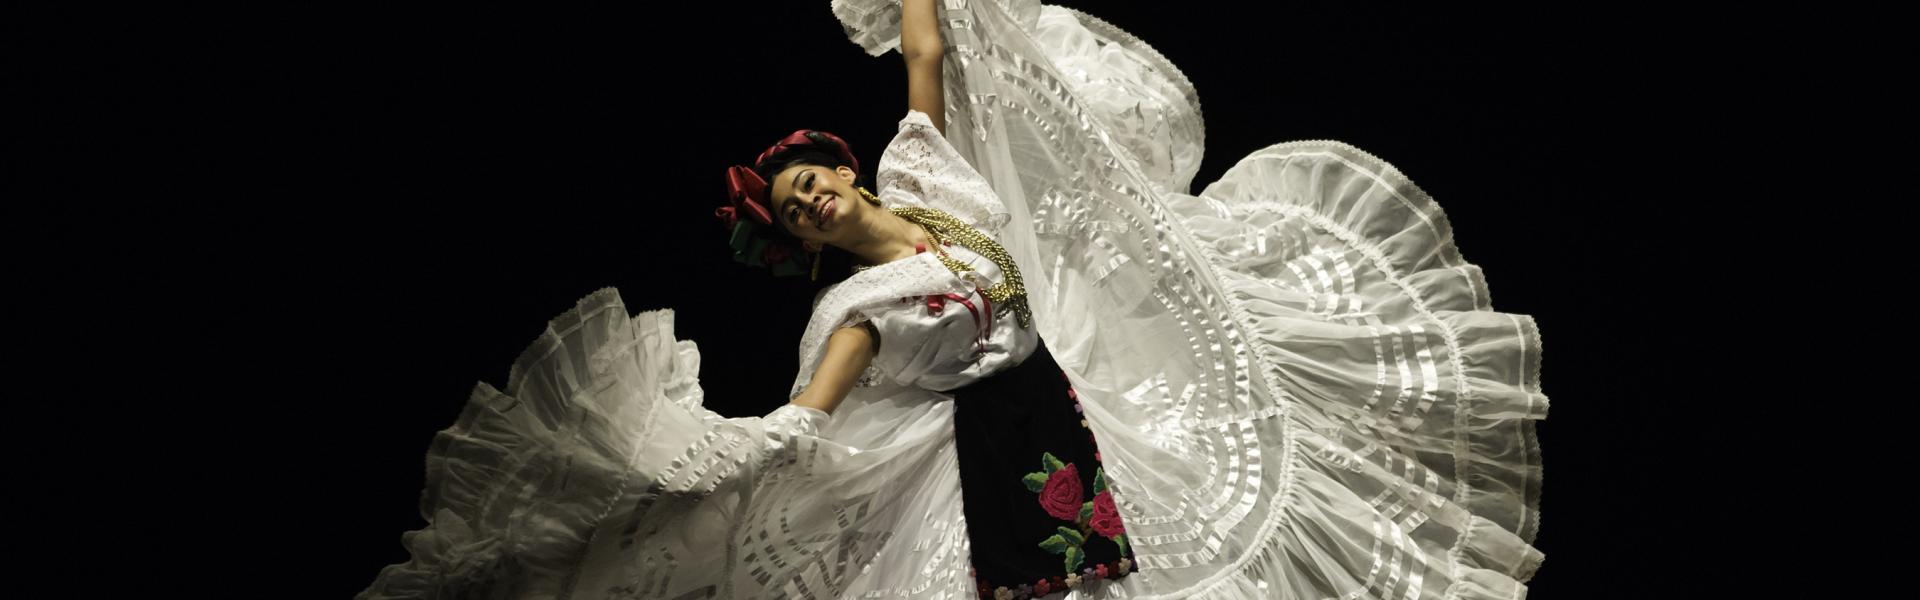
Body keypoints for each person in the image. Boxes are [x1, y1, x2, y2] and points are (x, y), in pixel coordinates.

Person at [360, 0, 1549, 598]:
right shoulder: (856, 314)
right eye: (796, 206)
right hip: (996, 457)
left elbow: (926, 56)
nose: (818, 195)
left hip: (1078, 384)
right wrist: (691, 458)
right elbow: (808, 423)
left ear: (838, 161)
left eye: (813, 175)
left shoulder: (921, 173)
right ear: (799, 242)